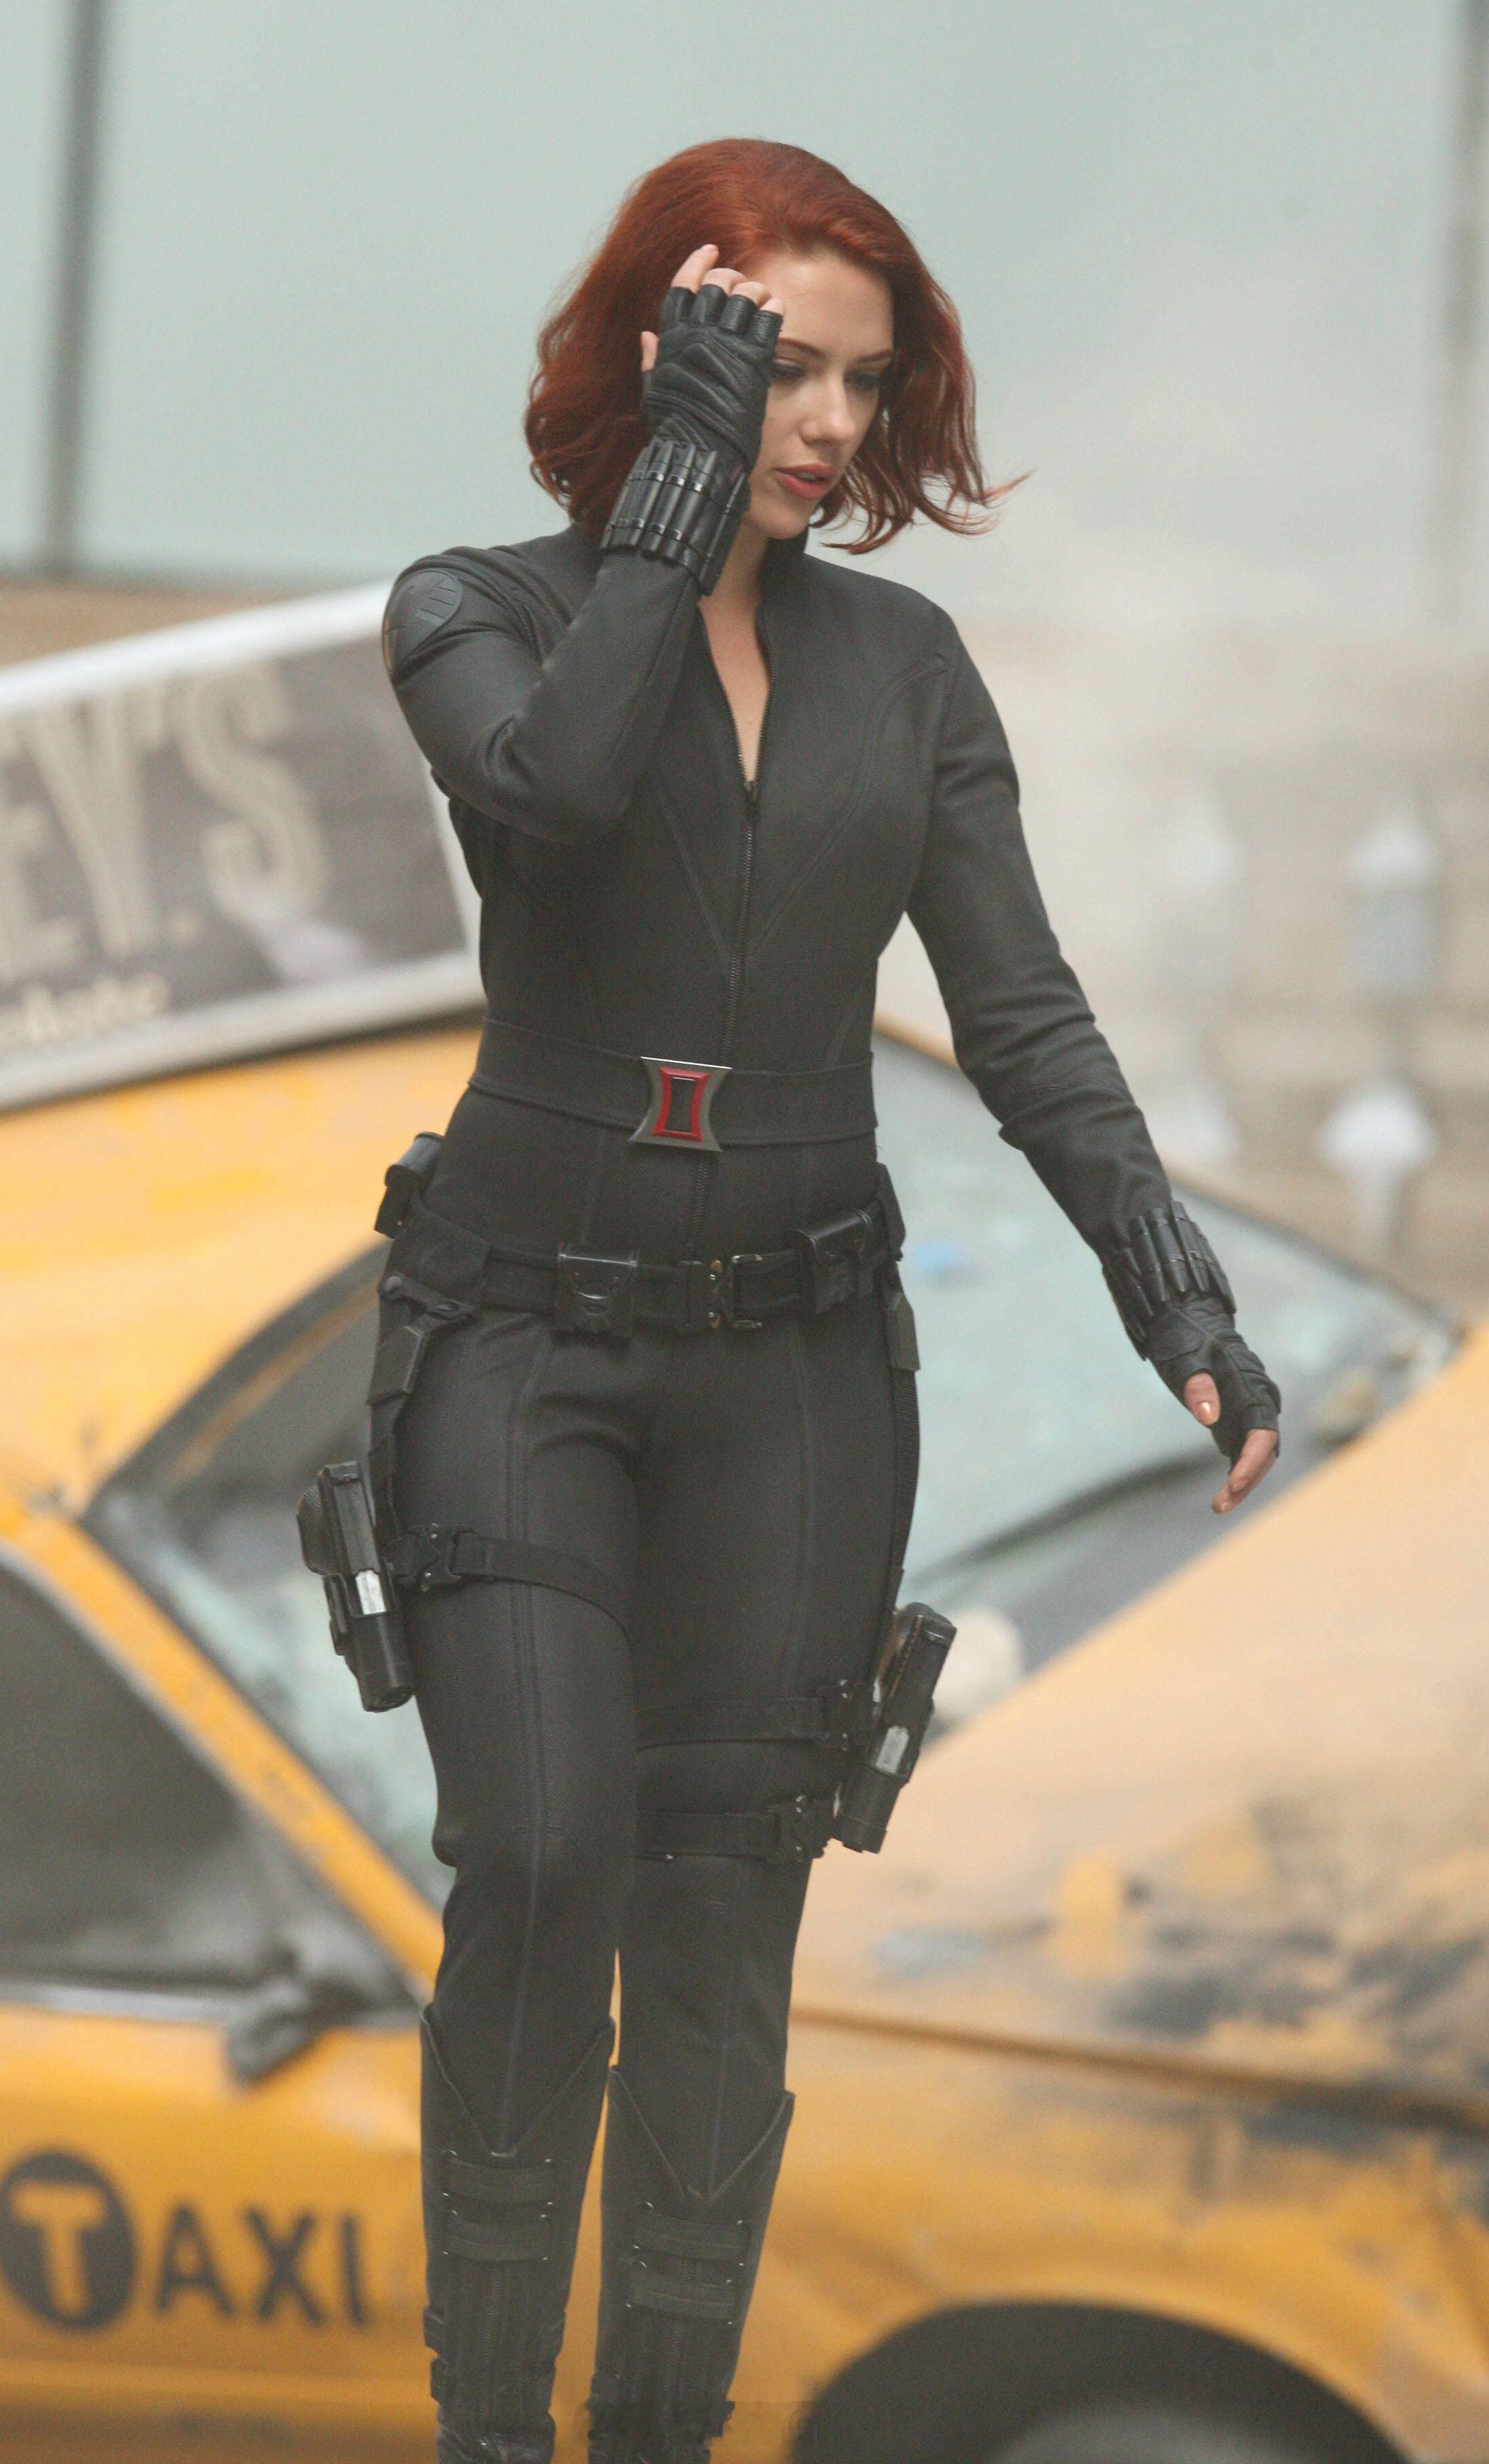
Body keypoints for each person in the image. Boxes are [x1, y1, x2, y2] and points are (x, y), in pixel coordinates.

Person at [374, 139, 1279, 2464]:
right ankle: (489, 2435)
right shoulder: (472, 608)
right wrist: (677, 487)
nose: (829, 424)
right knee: (543, 1856)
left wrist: (1168, 1289)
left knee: (719, 1927)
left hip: (794, 1368)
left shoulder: (907, 668)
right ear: (666, 351)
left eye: (861, 384)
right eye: (776, 367)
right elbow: (560, 801)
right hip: (518, 1337)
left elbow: (1023, 1014)